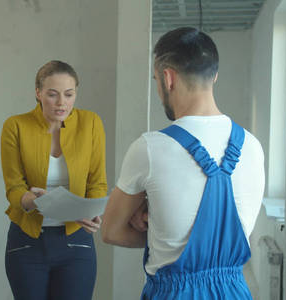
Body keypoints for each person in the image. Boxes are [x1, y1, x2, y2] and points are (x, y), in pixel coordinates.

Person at [102, 27, 265, 299]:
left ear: (167, 78)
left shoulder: (150, 148)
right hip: (236, 290)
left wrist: (161, 233)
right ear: (214, 75)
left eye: (156, 79)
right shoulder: (252, 146)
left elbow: (111, 231)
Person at [0, 60, 107, 300]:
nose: (62, 103)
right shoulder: (15, 126)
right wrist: (37, 201)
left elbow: (97, 182)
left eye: (69, 94)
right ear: (38, 93)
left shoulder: (91, 123)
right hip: (27, 242)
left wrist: (94, 210)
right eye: (52, 94)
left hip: (76, 240)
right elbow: (14, 189)